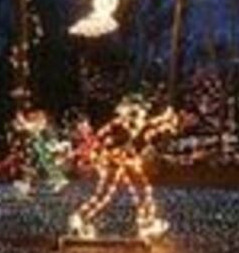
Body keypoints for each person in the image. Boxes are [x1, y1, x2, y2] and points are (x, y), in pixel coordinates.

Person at [67, 95, 179, 242]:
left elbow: (153, 126)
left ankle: (147, 223)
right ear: (126, 111)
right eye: (136, 111)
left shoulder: (140, 127)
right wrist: (107, 154)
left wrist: (167, 120)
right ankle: (80, 218)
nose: (140, 114)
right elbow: (98, 144)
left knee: (142, 191)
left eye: (141, 111)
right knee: (104, 195)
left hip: (129, 164)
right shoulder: (115, 126)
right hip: (113, 164)